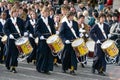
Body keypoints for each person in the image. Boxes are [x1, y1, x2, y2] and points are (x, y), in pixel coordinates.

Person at [3, 7, 26, 73]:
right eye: (14, 12)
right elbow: (5, 29)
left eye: (17, 12)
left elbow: (23, 28)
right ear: (12, 13)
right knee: (9, 53)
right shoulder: (9, 20)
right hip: (11, 39)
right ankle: (8, 64)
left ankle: (13, 67)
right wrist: (9, 34)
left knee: (15, 53)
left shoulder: (20, 20)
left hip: (18, 38)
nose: (16, 13)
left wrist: (24, 32)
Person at [35, 6, 56, 74]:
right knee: (42, 54)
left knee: (49, 54)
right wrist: (40, 36)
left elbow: (53, 29)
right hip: (43, 40)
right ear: (42, 13)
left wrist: (54, 36)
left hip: (49, 39)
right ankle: (40, 68)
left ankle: (47, 69)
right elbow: (36, 30)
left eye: (48, 12)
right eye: (45, 12)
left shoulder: (50, 20)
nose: (47, 13)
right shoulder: (40, 20)